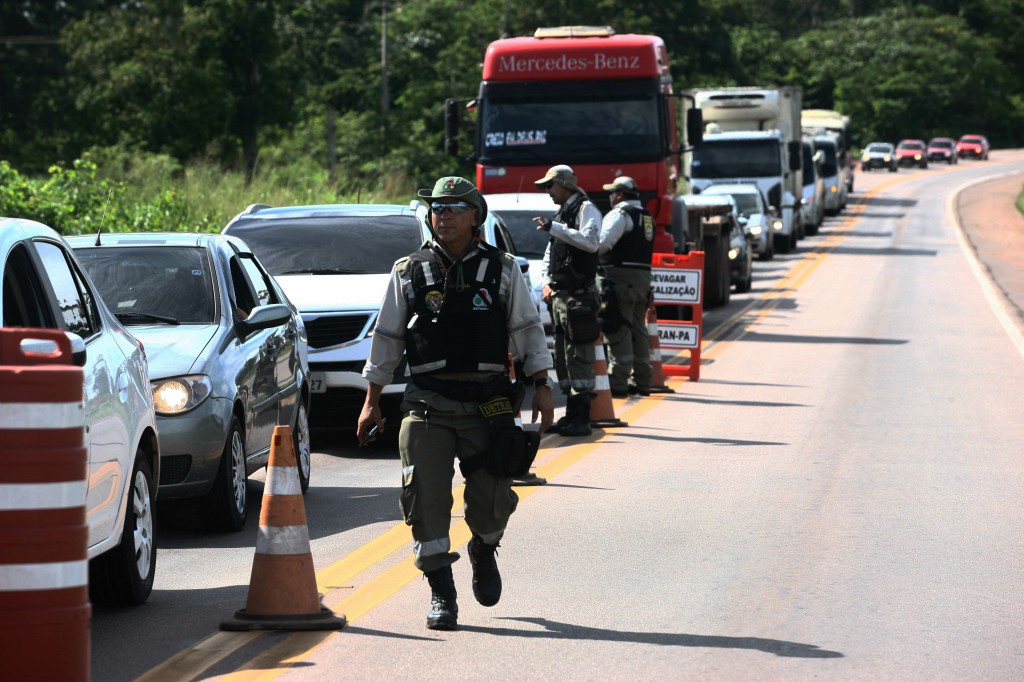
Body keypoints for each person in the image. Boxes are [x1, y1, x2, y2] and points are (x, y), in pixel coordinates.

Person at [357, 176, 554, 631]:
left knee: (492, 502)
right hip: (426, 404)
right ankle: (442, 593)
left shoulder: (503, 268)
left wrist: (542, 383)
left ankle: (483, 548)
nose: (442, 215)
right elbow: (387, 338)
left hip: (488, 405)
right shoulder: (408, 270)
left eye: (453, 208)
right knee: (424, 499)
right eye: (437, 208)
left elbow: (526, 330)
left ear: (475, 216)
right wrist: (371, 400)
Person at [532, 165, 602, 437]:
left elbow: (591, 242)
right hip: (560, 297)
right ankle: (571, 415)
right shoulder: (561, 214)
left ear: (564, 184)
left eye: (550, 186)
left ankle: (582, 418)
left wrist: (556, 227)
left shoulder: (585, 209)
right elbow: (550, 254)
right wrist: (546, 281)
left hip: (579, 297)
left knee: (579, 355)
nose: (547, 191)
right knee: (562, 357)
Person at [597, 176, 655, 396]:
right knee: (638, 331)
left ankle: (618, 381)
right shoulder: (647, 216)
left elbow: (602, 244)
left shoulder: (620, 214)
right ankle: (644, 380)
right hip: (642, 283)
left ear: (619, 195)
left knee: (618, 329)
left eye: (612, 193)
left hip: (620, 282)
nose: (610, 197)